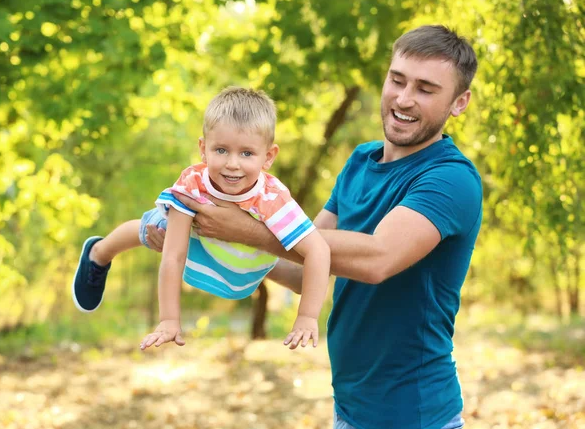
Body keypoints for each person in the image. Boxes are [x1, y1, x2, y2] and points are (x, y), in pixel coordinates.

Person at [146, 25, 482, 429]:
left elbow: (378, 259)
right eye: (397, 80)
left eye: (426, 89)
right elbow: (303, 269)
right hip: (350, 405)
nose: (404, 98)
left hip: (416, 413)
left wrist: (243, 230)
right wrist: (199, 242)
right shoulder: (360, 161)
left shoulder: (450, 178)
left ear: (459, 102)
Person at [72, 86, 331, 351]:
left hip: (237, 258)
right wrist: (169, 320)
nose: (232, 163)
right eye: (221, 150)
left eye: (246, 153)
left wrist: (307, 316)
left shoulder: (272, 198)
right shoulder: (193, 185)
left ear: (268, 157)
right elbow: (173, 255)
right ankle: (99, 252)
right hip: (194, 236)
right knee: (155, 226)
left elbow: (318, 250)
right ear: (203, 149)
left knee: (287, 250)